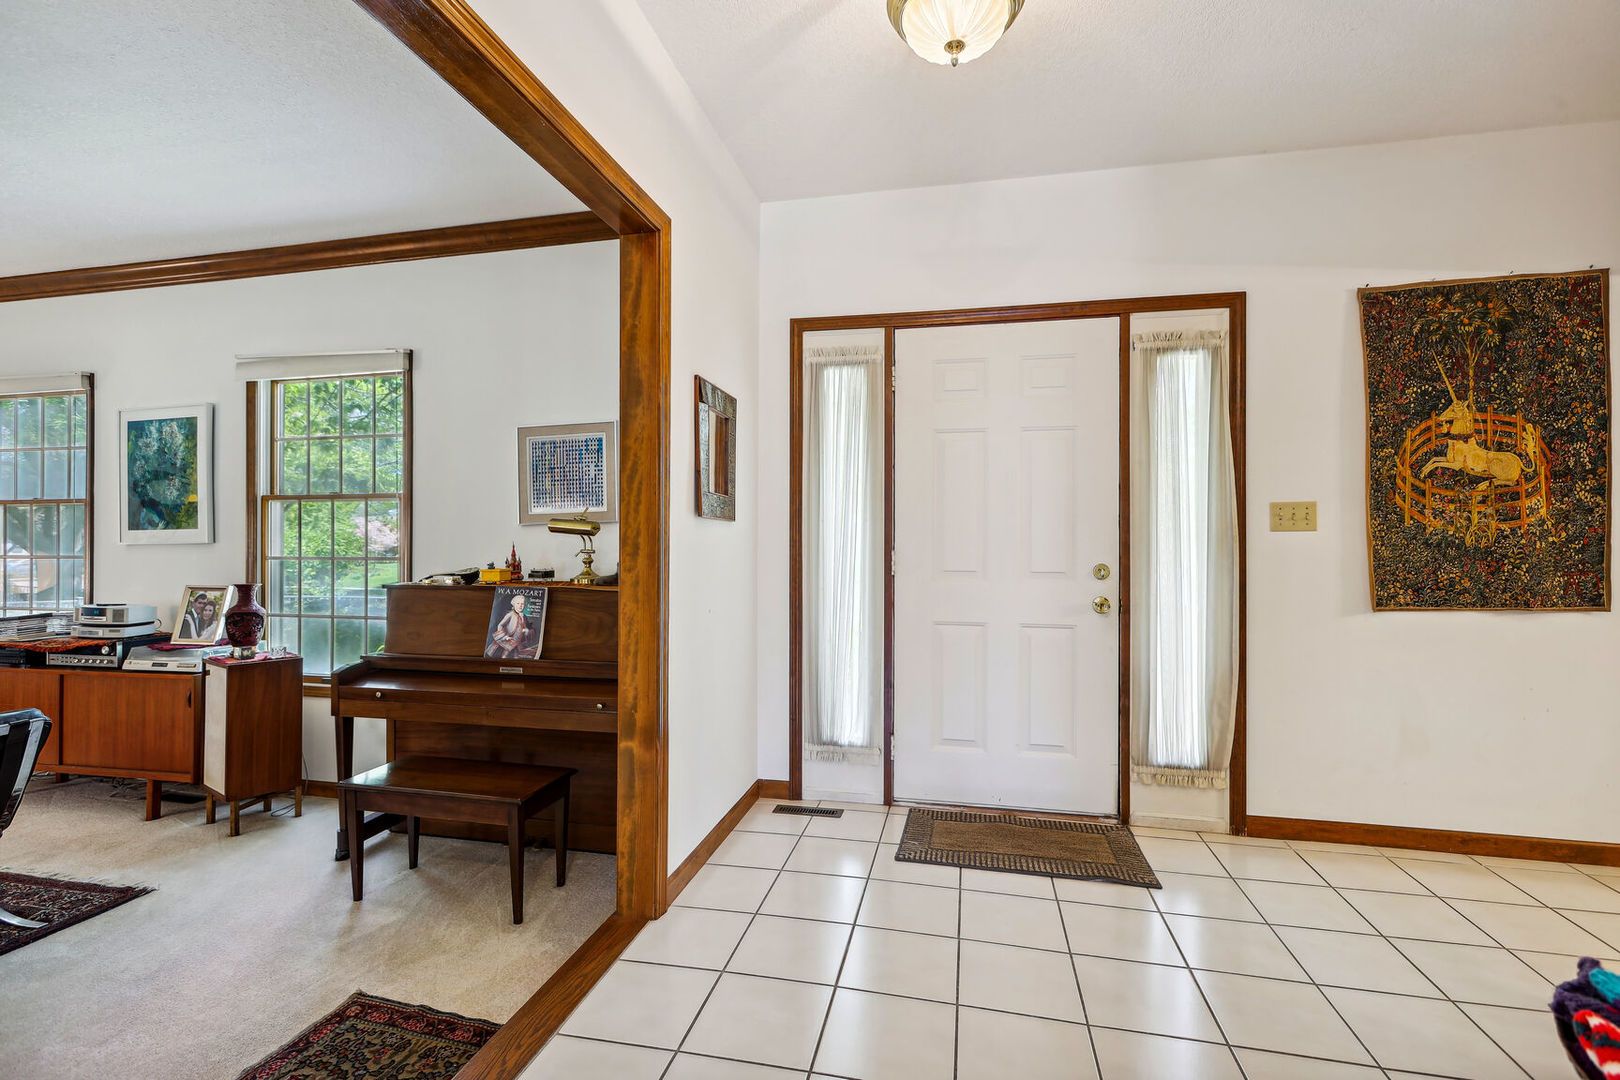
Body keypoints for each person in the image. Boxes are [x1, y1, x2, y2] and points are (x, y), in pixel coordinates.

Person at [486, 593, 536, 659]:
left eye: (522, 604)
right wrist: (505, 637)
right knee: (505, 655)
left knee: (516, 657)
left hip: (517, 642)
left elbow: (523, 627)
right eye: (518, 603)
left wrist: (526, 630)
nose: (520, 606)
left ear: (525, 605)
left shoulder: (524, 616)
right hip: (509, 640)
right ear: (514, 604)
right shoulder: (510, 614)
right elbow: (500, 625)